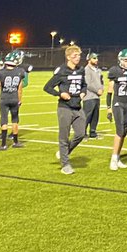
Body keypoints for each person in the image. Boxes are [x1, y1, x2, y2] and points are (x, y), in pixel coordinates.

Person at [43, 44, 88, 175]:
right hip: (65, 107)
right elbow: (47, 87)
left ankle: (64, 152)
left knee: (80, 134)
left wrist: (83, 92)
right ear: (68, 57)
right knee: (64, 136)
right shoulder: (61, 71)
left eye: (79, 55)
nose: (78, 58)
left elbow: (84, 85)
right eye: (75, 56)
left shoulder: (81, 70)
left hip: (78, 106)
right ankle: (65, 164)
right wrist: (60, 94)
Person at [107, 48, 127, 170]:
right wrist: (108, 107)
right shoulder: (114, 71)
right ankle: (113, 159)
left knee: (125, 131)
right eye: (126, 60)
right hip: (118, 103)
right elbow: (110, 91)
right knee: (120, 130)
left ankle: (118, 157)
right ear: (120, 60)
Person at [0, 51, 26, 150]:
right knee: (15, 119)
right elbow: (20, 88)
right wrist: (19, 99)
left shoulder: (1, 72)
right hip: (14, 98)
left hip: (4, 97)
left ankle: (4, 144)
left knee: (4, 119)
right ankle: (16, 141)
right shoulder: (20, 71)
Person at [82, 52, 104, 140]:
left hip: (97, 97)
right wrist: (97, 90)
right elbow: (88, 83)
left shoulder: (98, 70)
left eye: (96, 58)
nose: (96, 60)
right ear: (89, 59)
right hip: (89, 96)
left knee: (95, 115)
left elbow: (101, 81)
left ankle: (93, 132)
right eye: (94, 58)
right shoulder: (86, 70)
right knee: (87, 115)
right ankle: (82, 134)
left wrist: (102, 89)